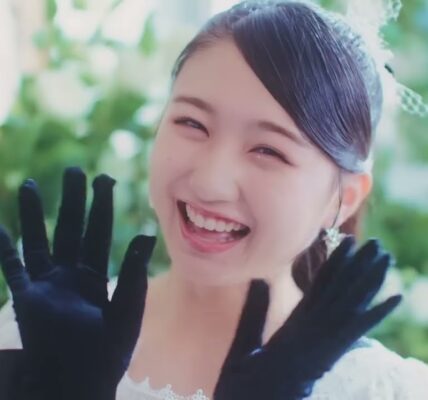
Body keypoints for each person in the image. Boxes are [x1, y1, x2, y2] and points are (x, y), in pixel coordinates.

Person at [1, 0, 428, 399]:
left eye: (268, 150)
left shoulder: (382, 390)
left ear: (345, 197)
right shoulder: (42, 330)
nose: (209, 183)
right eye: (193, 123)